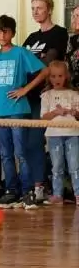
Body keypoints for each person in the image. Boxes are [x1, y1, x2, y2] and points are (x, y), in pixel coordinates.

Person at [0, 15, 48, 209]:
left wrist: (25, 89)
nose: (2, 35)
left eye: (6, 31)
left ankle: (27, 191)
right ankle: (11, 191)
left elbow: (44, 71)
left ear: (13, 33)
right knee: (5, 153)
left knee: (21, 152)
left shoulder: (20, 52)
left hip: (17, 109)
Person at [22, 0, 69, 202]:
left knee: (46, 142)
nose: (35, 12)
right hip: (29, 96)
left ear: (49, 9)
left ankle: (45, 184)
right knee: (29, 143)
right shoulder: (31, 38)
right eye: (33, 8)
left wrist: (38, 61)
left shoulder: (59, 33)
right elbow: (23, 63)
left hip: (47, 95)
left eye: (39, 8)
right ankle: (37, 184)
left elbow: (49, 63)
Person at [40, 61, 79, 205]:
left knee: (75, 165)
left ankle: (78, 193)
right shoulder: (46, 95)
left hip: (73, 134)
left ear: (66, 76)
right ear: (49, 78)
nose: (57, 79)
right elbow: (43, 117)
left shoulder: (74, 94)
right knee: (56, 166)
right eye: (53, 76)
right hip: (54, 134)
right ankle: (57, 194)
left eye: (60, 76)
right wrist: (56, 112)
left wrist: (74, 112)